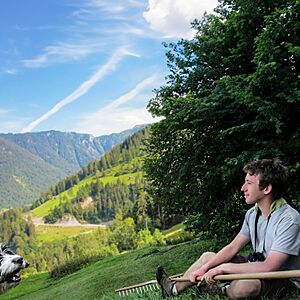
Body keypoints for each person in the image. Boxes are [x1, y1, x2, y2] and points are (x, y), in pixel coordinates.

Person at [156, 158, 300, 299]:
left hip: (283, 277)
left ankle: (220, 289)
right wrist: (204, 269)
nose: (243, 188)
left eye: (248, 183)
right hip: (256, 266)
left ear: (267, 188)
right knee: (207, 258)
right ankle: (172, 289)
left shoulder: (289, 220)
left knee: (245, 286)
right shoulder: (252, 214)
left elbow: (269, 266)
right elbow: (233, 247)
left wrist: (222, 268)